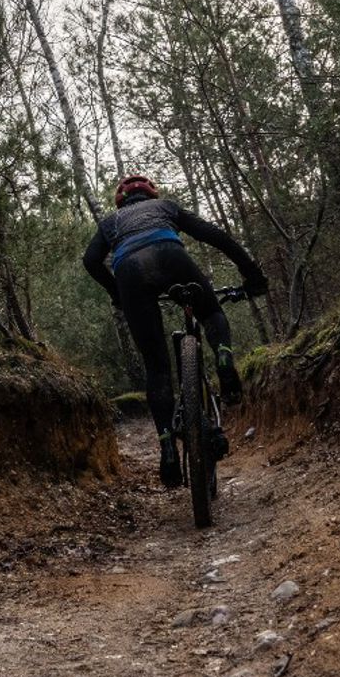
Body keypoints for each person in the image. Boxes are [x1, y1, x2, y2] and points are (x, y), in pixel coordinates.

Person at [83, 175, 268, 488]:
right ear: (150, 194)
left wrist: (117, 291)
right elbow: (217, 237)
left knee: (157, 368)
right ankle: (224, 361)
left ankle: (167, 446)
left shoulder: (110, 222)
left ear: (121, 201)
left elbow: (91, 261)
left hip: (129, 270)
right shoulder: (165, 206)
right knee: (211, 313)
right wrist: (252, 275)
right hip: (171, 255)